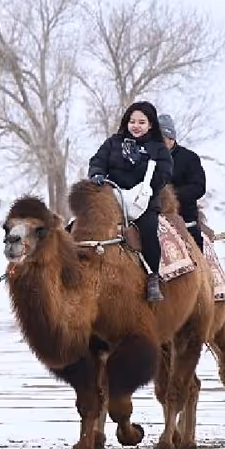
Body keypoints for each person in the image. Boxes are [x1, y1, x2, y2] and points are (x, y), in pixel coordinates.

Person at [87, 101, 173, 302]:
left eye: (141, 122)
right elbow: (97, 161)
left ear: (150, 124)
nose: (136, 125)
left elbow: (164, 173)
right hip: (112, 198)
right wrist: (97, 175)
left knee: (149, 231)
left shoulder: (158, 148)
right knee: (79, 224)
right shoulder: (113, 143)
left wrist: (139, 164)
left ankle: (153, 277)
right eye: (132, 121)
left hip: (143, 203)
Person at [157, 114, 207, 253]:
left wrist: (170, 196)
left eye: (165, 138)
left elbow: (199, 187)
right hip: (153, 219)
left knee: (195, 257)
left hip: (185, 220)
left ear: (172, 138)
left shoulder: (189, 158)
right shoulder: (149, 159)